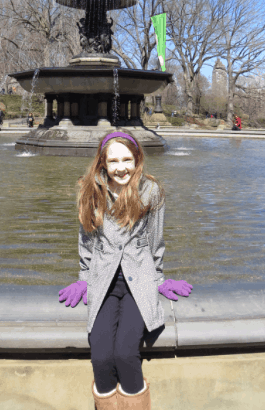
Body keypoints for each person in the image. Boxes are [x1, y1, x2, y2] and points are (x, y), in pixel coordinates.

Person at [58, 130, 193, 409]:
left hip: (138, 282)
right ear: (102, 163)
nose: (121, 168)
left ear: (137, 159)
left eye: (127, 159)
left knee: (126, 354)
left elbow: (156, 241)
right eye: (114, 160)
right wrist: (83, 278)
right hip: (103, 281)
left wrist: (159, 279)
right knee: (101, 357)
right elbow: (87, 240)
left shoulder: (151, 191)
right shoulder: (88, 190)